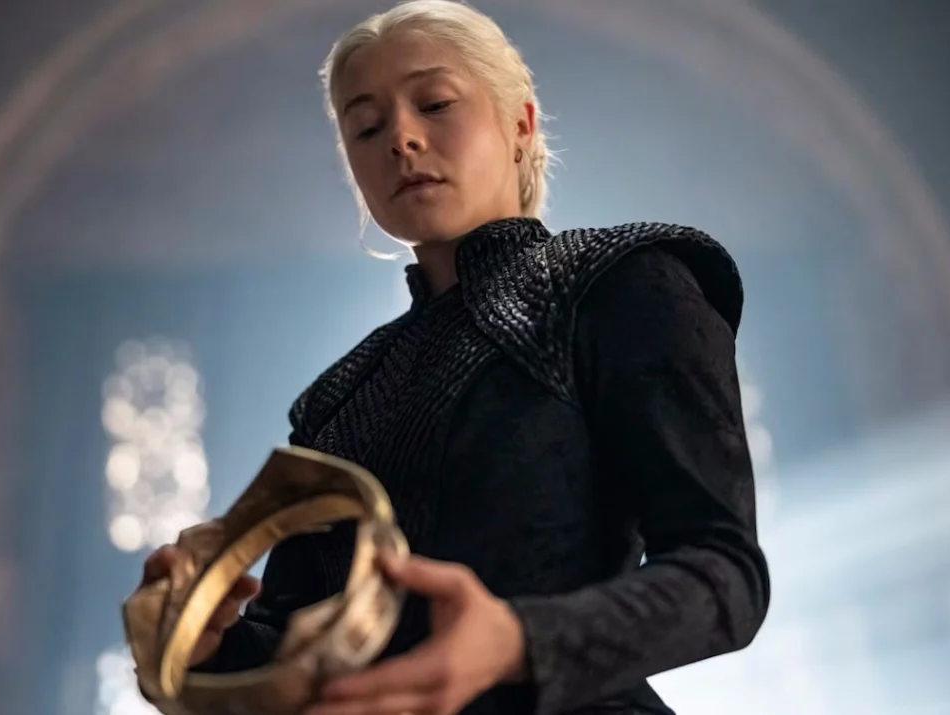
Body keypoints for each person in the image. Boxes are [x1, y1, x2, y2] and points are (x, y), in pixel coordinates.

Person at [136, 1, 770, 713]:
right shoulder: (340, 396)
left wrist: (517, 640)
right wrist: (207, 642)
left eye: (435, 104)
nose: (401, 139)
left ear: (521, 124)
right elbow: (297, 646)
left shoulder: (619, 281)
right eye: (366, 127)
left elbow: (726, 577)